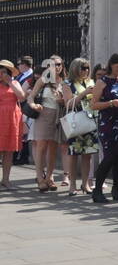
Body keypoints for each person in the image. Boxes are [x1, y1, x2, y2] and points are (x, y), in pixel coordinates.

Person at [89, 53, 118, 203]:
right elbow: (93, 104)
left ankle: (116, 189)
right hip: (108, 123)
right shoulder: (102, 82)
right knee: (109, 156)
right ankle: (97, 190)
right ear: (111, 66)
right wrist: (110, 103)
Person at [26, 57, 69, 193]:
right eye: (53, 64)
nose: (57, 67)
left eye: (59, 64)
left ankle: (50, 177)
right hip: (44, 113)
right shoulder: (43, 80)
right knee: (41, 145)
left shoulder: (65, 81)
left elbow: (69, 100)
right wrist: (34, 105)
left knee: (53, 147)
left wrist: (63, 100)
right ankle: (40, 177)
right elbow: (30, 97)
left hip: (59, 115)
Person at [65, 58, 98, 195]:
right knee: (74, 154)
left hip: (90, 121)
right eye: (82, 68)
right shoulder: (68, 84)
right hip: (76, 121)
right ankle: (72, 184)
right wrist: (84, 93)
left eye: (87, 68)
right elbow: (67, 103)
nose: (85, 71)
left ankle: (85, 183)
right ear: (75, 69)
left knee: (88, 154)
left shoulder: (91, 82)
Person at [0, 60, 25, 188]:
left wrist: (10, 82)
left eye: (4, 71)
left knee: (9, 151)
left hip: (13, 118)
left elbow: (21, 97)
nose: (1, 73)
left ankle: (6, 179)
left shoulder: (14, 83)